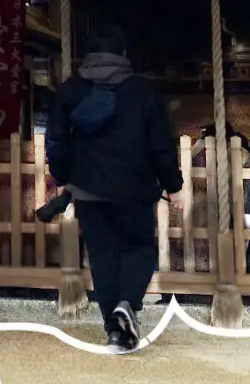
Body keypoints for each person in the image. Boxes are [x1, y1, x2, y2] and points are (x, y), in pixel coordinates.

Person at [45, 20, 182, 350]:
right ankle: (127, 303)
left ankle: (115, 331)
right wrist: (173, 185)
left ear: (87, 53)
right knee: (138, 248)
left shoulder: (70, 90)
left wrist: (64, 177)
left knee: (102, 255)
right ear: (123, 53)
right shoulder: (142, 92)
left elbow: (56, 141)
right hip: (134, 188)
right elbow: (160, 144)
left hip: (89, 191)